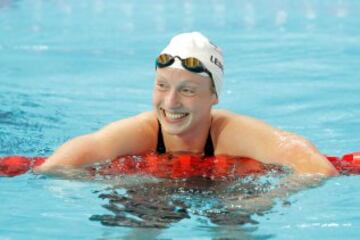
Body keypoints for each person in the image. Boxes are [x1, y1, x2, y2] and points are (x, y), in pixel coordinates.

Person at [36, 32, 338, 176]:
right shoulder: (143, 130)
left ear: (214, 97)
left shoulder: (229, 133)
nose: (170, 102)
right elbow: (60, 163)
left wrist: (271, 198)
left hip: (225, 194)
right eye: (162, 86)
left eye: (188, 90)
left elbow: (316, 167)